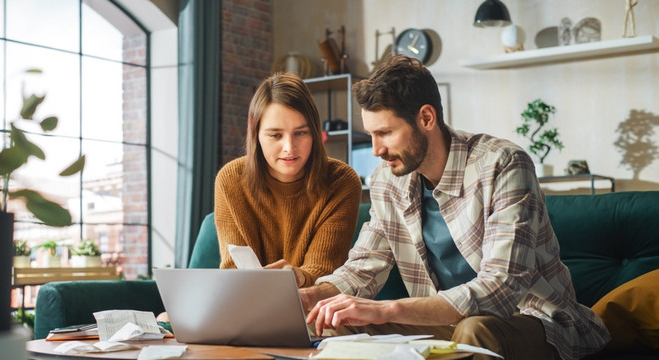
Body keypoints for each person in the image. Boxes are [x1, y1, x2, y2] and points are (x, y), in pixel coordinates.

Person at [300, 55, 610, 360]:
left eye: (386, 133)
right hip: (443, 323)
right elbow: (363, 267)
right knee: (331, 324)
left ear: (426, 118)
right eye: (371, 135)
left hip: (533, 321)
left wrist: (387, 308)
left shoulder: (503, 164)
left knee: (476, 332)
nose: (377, 149)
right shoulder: (387, 180)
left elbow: (501, 288)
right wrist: (312, 297)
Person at [214, 72, 362, 287]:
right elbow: (234, 270)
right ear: (256, 136)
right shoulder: (231, 179)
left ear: (315, 133)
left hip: (313, 306)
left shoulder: (342, 181)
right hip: (247, 302)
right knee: (166, 318)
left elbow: (323, 270)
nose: (289, 147)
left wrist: (298, 276)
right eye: (275, 135)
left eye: (301, 133)